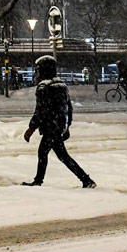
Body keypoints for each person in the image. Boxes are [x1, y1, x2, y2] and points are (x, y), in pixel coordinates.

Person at [22, 55, 96, 188]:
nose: (36, 73)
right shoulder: (62, 86)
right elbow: (68, 108)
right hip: (58, 127)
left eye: (38, 69)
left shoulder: (43, 87)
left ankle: (38, 181)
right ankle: (86, 180)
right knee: (62, 156)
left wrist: (31, 129)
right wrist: (67, 127)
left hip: (50, 127)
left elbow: (40, 111)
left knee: (43, 153)